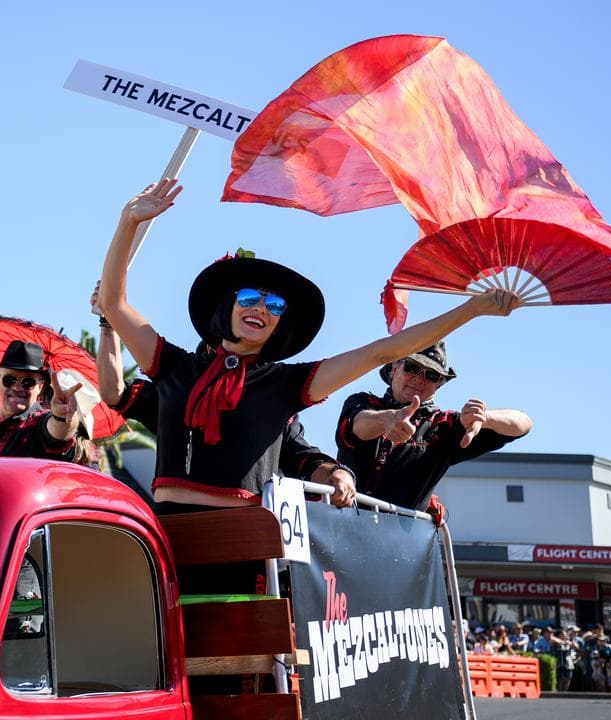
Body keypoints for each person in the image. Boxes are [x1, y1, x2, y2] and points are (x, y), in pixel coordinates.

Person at [96, 179, 520, 511]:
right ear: (228, 305)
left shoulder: (286, 383)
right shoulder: (174, 366)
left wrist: (472, 309)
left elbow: (382, 352)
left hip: (244, 540)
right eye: (249, 297)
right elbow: (113, 304)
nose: (260, 308)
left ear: (280, 324)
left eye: (274, 305)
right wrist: (128, 221)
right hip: (168, 533)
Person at [92, 282, 357, 507]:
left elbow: (304, 458)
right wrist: (109, 322)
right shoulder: (180, 385)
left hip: (244, 526)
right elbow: (116, 393)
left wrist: (338, 473)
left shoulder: (272, 399)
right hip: (175, 519)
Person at [334, 341, 532, 510]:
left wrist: (486, 417)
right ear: (394, 369)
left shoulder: (443, 427)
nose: (419, 379)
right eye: (412, 367)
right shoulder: (362, 403)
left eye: (431, 375)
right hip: (338, 529)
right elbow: (355, 426)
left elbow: (523, 423)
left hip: (400, 541)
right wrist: (386, 419)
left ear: (439, 384)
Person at [0, 340, 84, 461]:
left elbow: (56, 432)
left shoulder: (37, 423)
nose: (17, 387)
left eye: (28, 382)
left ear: (40, 387)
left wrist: (61, 416)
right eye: (10, 379)